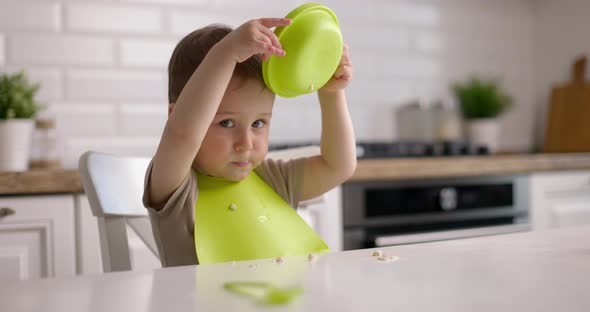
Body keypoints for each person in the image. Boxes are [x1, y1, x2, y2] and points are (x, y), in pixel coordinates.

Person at [142, 17, 356, 267]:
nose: (245, 143)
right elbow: (182, 136)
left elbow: (339, 166)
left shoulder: (273, 179)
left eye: (258, 124)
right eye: (226, 123)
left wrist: (331, 93)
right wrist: (225, 54)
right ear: (176, 115)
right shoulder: (176, 190)